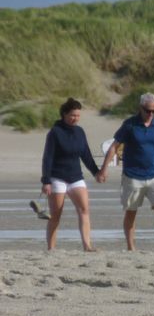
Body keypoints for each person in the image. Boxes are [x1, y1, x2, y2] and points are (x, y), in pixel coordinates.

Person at [97, 92, 154, 253]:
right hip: (132, 176)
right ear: (140, 108)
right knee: (131, 212)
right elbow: (114, 146)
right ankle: (130, 247)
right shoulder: (130, 125)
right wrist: (104, 169)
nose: (151, 114)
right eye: (148, 110)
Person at [37, 98, 100, 251]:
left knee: (84, 209)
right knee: (56, 215)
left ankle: (87, 245)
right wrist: (46, 181)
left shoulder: (80, 132)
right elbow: (48, 158)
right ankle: (51, 248)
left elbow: (86, 155)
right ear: (64, 114)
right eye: (72, 115)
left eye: (78, 115)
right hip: (57, 177)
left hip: (76, 177)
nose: (75, 118)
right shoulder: (55, 132)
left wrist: (96, 172)